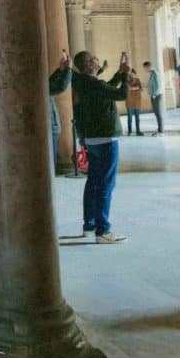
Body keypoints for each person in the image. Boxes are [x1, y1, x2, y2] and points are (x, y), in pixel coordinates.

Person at [72, 50, 129, 244]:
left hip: (92, 139)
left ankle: (89, 226)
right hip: (106, 139)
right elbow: (120, 94)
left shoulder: (81, 83)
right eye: (93, 60)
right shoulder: (95, 84)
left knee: (93, 183)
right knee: (106, 185)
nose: (97, 60)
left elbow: (107, 88)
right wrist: (127, 77)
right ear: (88, 65)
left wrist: (119, 74)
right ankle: (103, 230)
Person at [48, 51, 72, 170]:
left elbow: (50, 83)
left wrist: (61, 70)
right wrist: (67, 70)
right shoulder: (35, 85)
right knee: (49, 165)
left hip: (50, 127)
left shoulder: (33, 83)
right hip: (49, 128)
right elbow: (59, 86)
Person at [143, 60, 164, 135]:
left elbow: (158, 85)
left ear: (149, 67)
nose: (145, 70)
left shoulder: (155, 73)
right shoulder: (152, 73)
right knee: (156, 113)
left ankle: (161, 131)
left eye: (145, 68)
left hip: (156, 96)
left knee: (158, 113)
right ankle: (159, 129)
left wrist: (154, 95)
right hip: (153, 95)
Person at [126, 68, 143, 136]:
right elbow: (127, 89)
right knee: (130, 118)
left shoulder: (138, 80)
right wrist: (135, 88)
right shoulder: (127, 81)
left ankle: (138, 131)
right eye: (130, 74)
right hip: (129, 101)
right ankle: (129, 131)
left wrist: (132, 89)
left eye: (133, 74)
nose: (131, 75)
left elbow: (141, 89)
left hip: (137, 101)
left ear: (134, 74)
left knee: (137, 118)